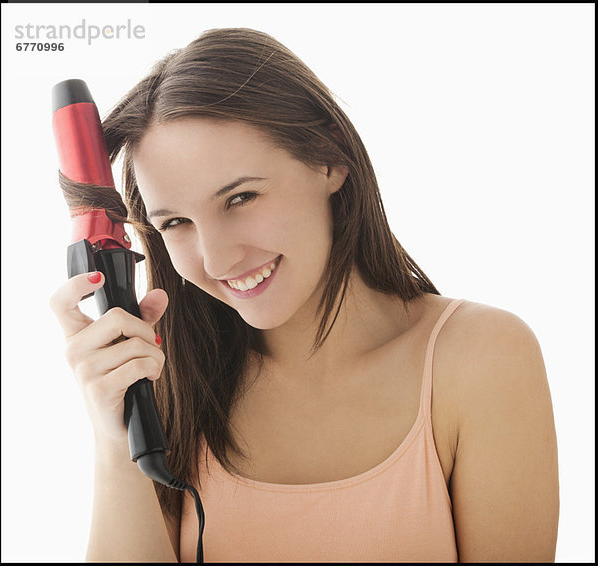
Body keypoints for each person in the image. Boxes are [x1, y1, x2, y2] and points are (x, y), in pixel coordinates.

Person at [49, 27, 559, 563]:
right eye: (176, 222)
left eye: (240, 197)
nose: (218, 260)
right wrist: (116, 441)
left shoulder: (481, 359)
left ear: (330, 158)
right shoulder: (171, 377)